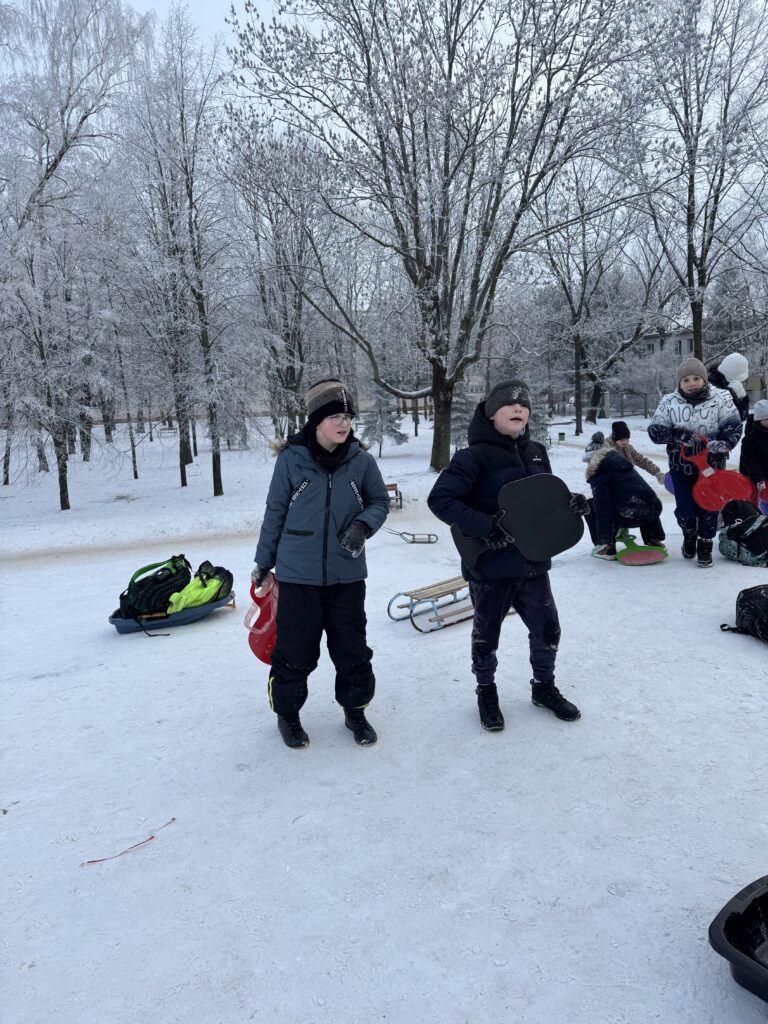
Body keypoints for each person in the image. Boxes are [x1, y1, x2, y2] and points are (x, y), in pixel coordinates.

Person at [427, 378, 585, 732]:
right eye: (509, 404)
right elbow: (441, 500)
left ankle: (543, 687)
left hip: (532, 561)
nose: (518, 409)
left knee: (548, 630)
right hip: (491, 565)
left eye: (523, 404)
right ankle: (486, 692)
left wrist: (570, 505)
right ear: (490, 412)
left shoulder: (536, 451)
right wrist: (484, 526)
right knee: (487, 637)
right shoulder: (472, 457)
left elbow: (541, 499)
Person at [252, 379, 390, 749]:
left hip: (347, 576)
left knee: (352, 651)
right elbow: (275, 513)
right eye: (336, 417)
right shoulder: (291, 460)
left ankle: (355, 712)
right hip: (299, 577)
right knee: (295, 654)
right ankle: (289, 716)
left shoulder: (361, 462)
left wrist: (363, 525)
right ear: (316, 420)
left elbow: (379, 502)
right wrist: (263, 562)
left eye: (348, 416)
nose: (344, 424)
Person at [648, 357, 742, 567]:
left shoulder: (721, 398)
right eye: (686, 380)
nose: (692, 383)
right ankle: (689, 533)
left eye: (696, 378)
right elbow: (655, 431)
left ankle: (705, 544)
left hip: (712, 466)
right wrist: (674, 433)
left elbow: (733, 424)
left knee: (710, 506)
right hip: (681, 465)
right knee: (686, 508)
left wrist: (725, 442)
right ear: (679, 383)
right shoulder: (669, 402)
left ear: (704, 379)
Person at [584, 420, 666, 559]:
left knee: (600, 506)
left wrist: (657, 472)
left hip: (625, 495)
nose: (625, 442)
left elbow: (641, 460)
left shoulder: (626, 449)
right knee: (640, 498)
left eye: (627, 439)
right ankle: (617, 536)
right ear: (614, 438)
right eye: (622, 439)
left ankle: (607, 546)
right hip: (623, 490)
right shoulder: (606, 449)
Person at [739, 398, 768, 511]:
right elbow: (750, 461)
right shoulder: (750, 439)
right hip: (756, 481)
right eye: (766, 418)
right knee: (758, 508)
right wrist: (759, 479)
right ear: (759, 420)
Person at [708, 352, 750, 423]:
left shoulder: (733, 385)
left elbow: (741, 417)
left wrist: (743, 399)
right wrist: (730, 395)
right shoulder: (710, 385)